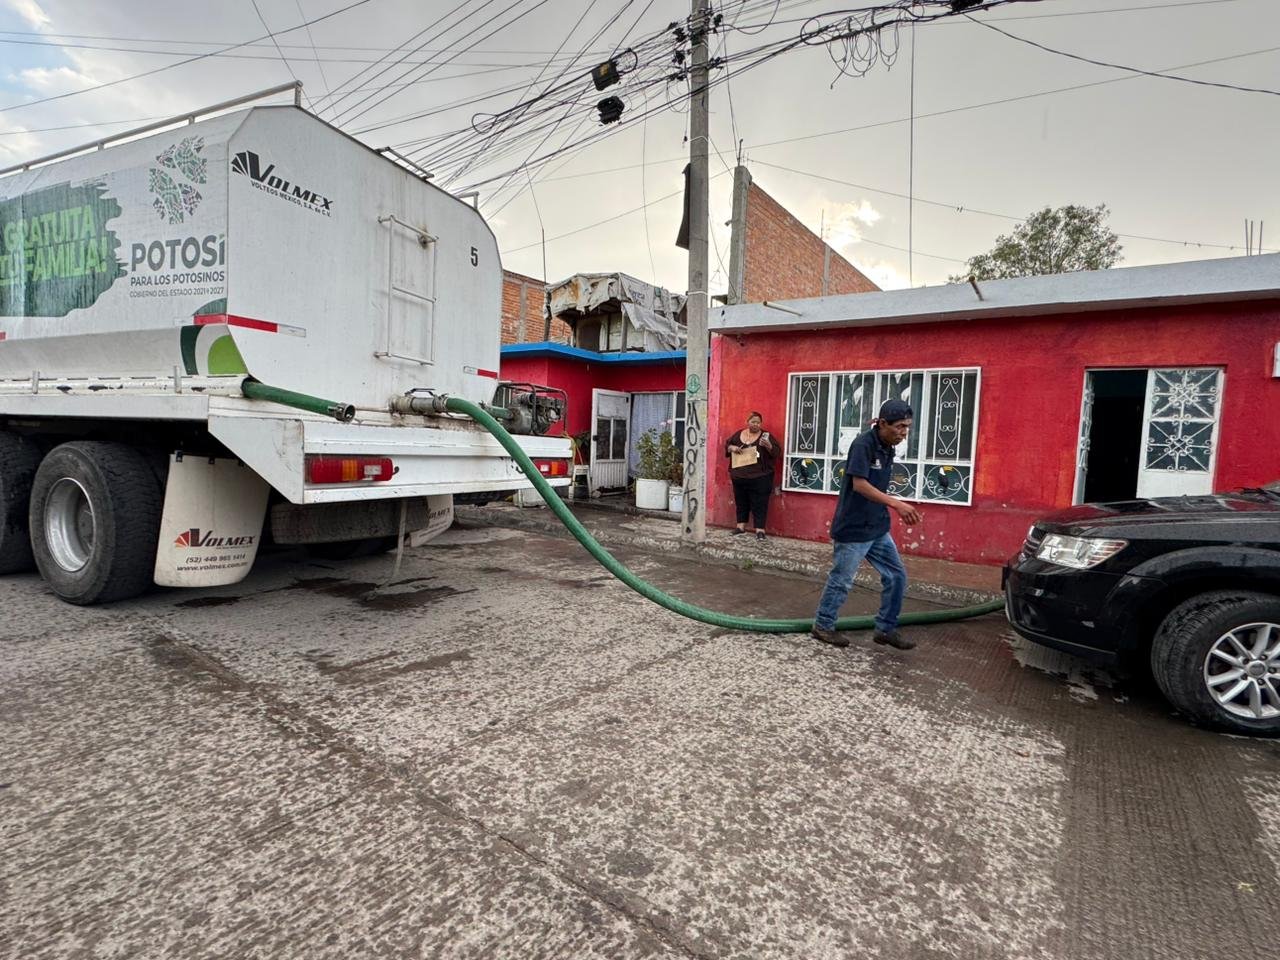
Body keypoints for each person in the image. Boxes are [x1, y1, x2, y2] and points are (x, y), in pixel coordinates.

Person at [811, 399, 922, 651]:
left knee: (896, 575)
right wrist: (897, 504)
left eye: (907, 427)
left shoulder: (888, 446)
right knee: (842, 580)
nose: (904, 432)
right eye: (900, 426)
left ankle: (885, 629)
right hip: (854, 528)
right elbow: (859, 485)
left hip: (877, 526)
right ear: (882, 423)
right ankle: (823, 625)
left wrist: (889, 507)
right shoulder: (863, 445)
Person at [725, 411, 778, 541]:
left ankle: (760, 530)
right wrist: (732, 448)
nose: (756, 424)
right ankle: (740, 526)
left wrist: (769, 445)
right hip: (739, 476)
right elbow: (727, 445)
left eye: (758, 422)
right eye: (753, 422)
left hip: (760, 477)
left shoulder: (766, 436)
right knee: (741, 501)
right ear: (747, 422)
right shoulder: (738, 434)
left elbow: (777, 452)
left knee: (760, 503)